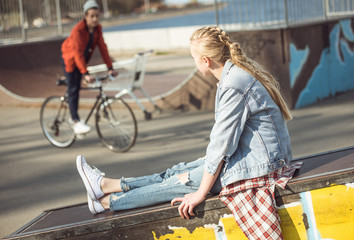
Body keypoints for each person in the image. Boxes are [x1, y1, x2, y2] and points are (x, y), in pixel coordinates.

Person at [76, 26, 302, 239]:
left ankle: (106, 202)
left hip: (258, 169)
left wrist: (200, 194)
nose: (195, 64)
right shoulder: (235, 75)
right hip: (253, 158)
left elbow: (221, 145)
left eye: (194, 60)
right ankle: (107, 185)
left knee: (177, 183)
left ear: (206, 60)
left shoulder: (234, 84)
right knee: (179, 170)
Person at [61, 0, 115, 134]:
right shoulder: (78, 30)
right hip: (71, 61)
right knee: (74, 88)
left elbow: (103, 48)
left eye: (97, 15)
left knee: (76, 88)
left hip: (81, 61)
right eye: (92, 16)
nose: (95, 19)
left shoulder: (98, 29)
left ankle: (73, 117)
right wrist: (85, 73)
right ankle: (75, 121)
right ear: (86, 16)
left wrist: (110, 67)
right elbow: (77, 53)